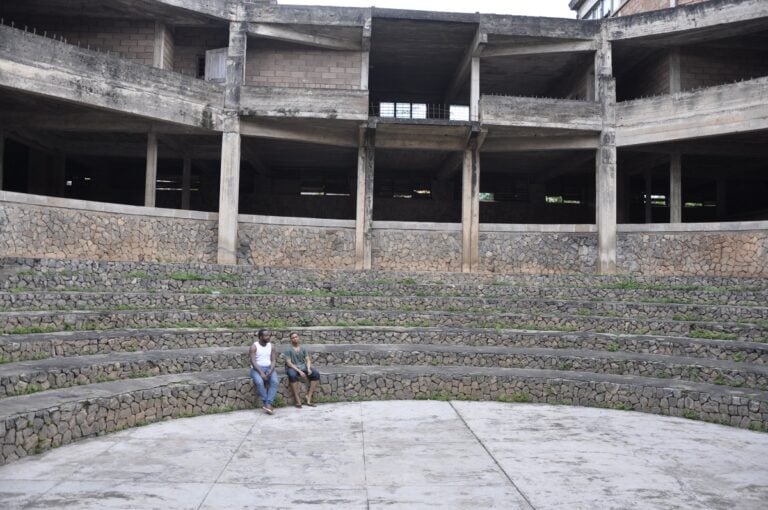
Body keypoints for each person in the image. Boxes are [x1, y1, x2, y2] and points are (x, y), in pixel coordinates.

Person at [284, 331, 320, 408]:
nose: (295, 339)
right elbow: (289, 363)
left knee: (316, 374)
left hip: (302, 366)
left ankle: (308, 397)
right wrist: (299, 371)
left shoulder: (303, 348)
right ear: (291, 339)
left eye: (296, 337)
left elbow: (307, 360)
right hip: (292, 367)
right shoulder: (288, 349)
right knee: (292, 375)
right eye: (293, 338)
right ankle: (297, 399)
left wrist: (308, 368)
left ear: (298, 338)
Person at [249, 329, 279, 414]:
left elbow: (273, 360)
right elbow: (253, 361)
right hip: (256, 369)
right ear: (260, 337)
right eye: (266, 335)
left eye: (269, 335)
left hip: (269, 368)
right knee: (259, 382)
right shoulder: (254, 346)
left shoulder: (271, 346)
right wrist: (261, 373)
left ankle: (268, 403)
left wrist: (270, 370)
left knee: (275, 382)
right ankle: (267, 404)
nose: (268, 337)